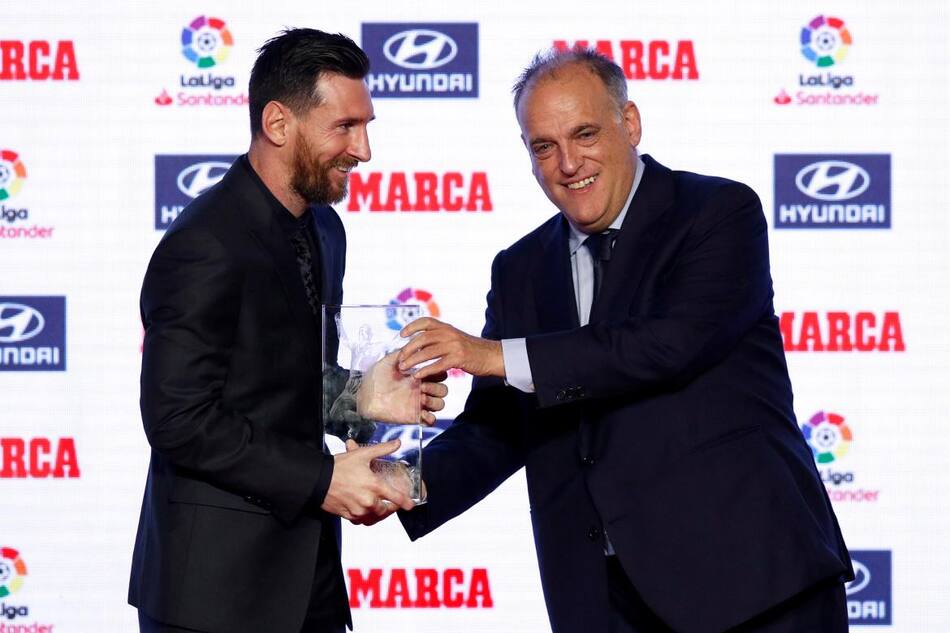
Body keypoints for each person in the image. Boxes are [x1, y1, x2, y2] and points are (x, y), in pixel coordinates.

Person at [394, 48, 853, 633]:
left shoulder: (717, 213)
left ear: (629, 123)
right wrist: (398, 482)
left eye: (584, 133)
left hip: (753, 589)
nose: (567, 162)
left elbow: (665, 346)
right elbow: (501, 425)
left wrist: (488, 355)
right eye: (543, 146)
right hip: (603, 602)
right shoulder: (520, 267)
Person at [129, 29, 446, 633]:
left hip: (310, 578)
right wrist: (322, 479)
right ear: (278, 123)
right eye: (346, 127)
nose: (365, 149)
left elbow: (277, 383)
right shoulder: (205, 243)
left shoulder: (326, 229)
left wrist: (360, 398)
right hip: (214, 597)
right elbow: (177, 417)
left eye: (366, 125)